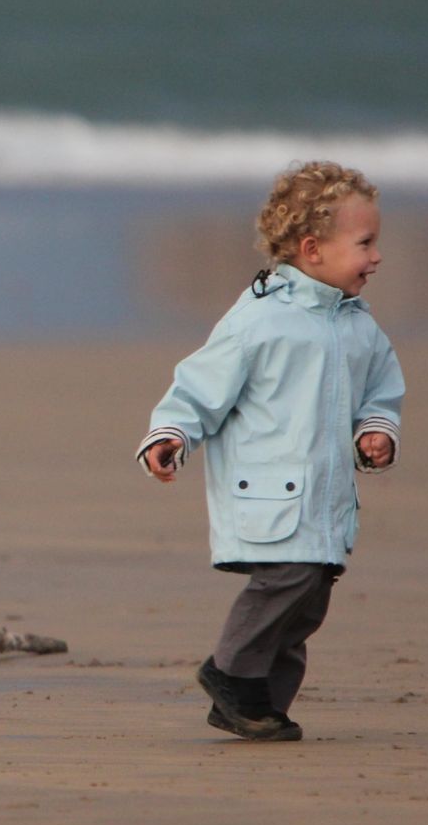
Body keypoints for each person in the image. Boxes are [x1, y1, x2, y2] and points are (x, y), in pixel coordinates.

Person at [136, 161, 404, 742]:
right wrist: (170, 435)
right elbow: (198, 388)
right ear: (312, 249)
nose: (377, 256)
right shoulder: (260, 320)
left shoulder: (359, 327)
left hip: (327, 498)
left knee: (308, 602)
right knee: (286, 581)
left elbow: (382, 393)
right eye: (365, 243)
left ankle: (258, 704)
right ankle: (228, 673)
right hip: (270, 494)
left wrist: (376, 431)